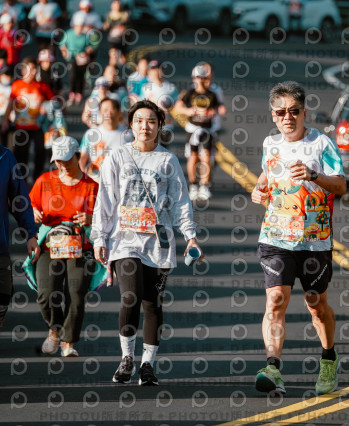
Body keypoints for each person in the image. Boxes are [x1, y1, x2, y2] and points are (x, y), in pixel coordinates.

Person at [91, 99, 203, 386]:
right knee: (130, 296)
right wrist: (99, 236)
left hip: (157, 243)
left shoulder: (167, 161)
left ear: (160, 126)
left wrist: (190, 237)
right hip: (124, 240)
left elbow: (180, 202)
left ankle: (148, 365)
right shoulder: (117, 157)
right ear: (130, 125)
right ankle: (127, 358)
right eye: (139, 121)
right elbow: (105, 200)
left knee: (152, 304)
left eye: (151, 121)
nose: (145, 126)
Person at [250, 81, 346, 395]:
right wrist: (258, 189)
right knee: (276, 299)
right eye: (281, 112)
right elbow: (267, 174)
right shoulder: (270, 143)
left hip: (315, 240)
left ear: (304, 112)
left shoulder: (321, 144)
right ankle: (272, 367)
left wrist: (314, 175)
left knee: (316, 304)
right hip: (276, 238)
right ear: (273, 116)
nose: (288, 117)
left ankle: (328, 359)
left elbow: (341, 185)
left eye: (294, 111)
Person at [28, 136, 98, 356]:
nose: (63, 165)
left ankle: (68, 341)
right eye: (58, 161)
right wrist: (33, 212)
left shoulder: (91, 186)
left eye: (67, 160)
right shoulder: (44, 181)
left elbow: (107, 219)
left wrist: (91, 219)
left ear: (78, 156)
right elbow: (29, 205)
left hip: (81, 246)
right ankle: (54, 329)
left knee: (76, 294)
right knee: (46, 293)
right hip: (49, 245)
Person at [0, 145, 40, 328]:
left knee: (3, 295)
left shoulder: (5, 157)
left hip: (0, 246)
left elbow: (19, 199)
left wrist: (31, 233)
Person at [173, 62, 225, 201]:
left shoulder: (212, 93)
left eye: (202, 77)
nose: (199, 80)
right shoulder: (190, 92)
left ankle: (204, 185)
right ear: (193, 78)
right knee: (193, 157)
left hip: (208, 129)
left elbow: (219, 108)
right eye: (197, 77)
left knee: (206, 157)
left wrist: (212, 112)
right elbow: (178, 106)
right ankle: (193, 185)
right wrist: (188, 111)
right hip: (193, 129)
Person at [3, 56, 54, 183]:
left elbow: (54, 102)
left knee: (40, 152)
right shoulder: (17, 85)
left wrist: (47, 106)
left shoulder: (42, 86)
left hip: (38, 127)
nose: (33, 72)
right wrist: (5, 120)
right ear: (23, 70)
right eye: (30, 69)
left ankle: (37, 178)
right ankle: (21, 181)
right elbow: (10, 104)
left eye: (34, 69)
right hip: (21, 127)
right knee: (21, 155)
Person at [79, 97, 129, 182]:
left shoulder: (129, 134)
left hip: (120, 182)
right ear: (100, 113)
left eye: (112, 109)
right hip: (96, 181)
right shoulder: (92, 133)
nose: (109, 113)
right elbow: (82, 158)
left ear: (119, 112)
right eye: (105, 110)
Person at [60, 12, 99, 106]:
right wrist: (65, 52)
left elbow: (93, 46)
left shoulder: (86, 36)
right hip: (72, 58)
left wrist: (86, 52)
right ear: (74, 26)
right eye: (78, 26)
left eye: (82, 26)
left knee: (81, 77)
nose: (80, 28)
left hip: (82, 59)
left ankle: (79, 94)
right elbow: (62, 45)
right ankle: (72, 94)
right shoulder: (69, 33)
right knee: (73, 76)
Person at [140, 59, 178, 146]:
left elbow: (177, 104)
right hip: (150, 124)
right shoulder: (145, 88)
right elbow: (140, 105)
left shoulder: (171, 87)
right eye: (153, 70)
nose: (156, 72)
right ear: (149, 72)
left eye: (158, 69)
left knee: (163, 149)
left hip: (166, 124)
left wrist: (169, 106)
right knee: (151, 148)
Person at [103, 0, 129, 67]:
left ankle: (119, 67)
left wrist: (122, 29)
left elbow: (128, 27)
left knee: (123, 60)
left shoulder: (124, 15)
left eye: (118, 5)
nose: (116, 7)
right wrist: (105, 26)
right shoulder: (109, 15)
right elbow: (106, 26)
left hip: (122, 40)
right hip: (112, 40)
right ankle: (112, 71)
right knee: (113, 57)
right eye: (114, 5)